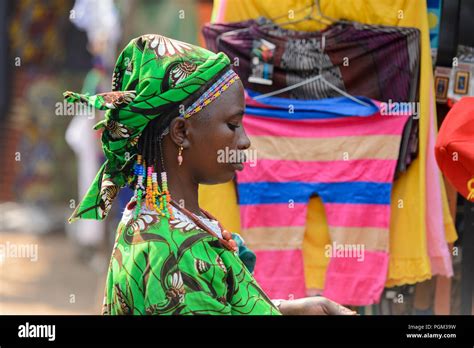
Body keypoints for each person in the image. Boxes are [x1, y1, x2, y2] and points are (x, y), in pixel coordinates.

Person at [64, 34, 356, 315]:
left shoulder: (163, 219)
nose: (244, 141)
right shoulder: (175, 257)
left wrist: (284, 308)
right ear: (181, 132)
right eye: (232, 125)